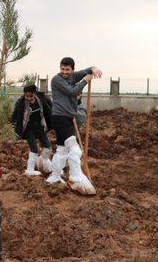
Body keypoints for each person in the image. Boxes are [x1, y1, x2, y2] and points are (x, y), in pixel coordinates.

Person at [45, 57, 102, 195]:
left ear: (72, 70)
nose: (64, 72)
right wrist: (85, 81)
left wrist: (92, 68)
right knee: (75, 150)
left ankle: (55, 176)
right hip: (60, 118)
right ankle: (76, 179)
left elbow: (84, 71)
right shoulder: (57, 80)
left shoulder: (72, 76)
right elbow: (73, 91)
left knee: (62, 150)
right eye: (62, 69)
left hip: (67, 118)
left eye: (67, 70)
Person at [11, 84, 53, 176]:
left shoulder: (41, 100)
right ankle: (30, 170)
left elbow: (49, 109)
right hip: (29, 129)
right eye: (27, 96)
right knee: (34, 149)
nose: (29, 98)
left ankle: (43, 163)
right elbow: (15, 115)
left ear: (35, 93)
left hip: (40, 127)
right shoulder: (21, 103)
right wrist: (14, 125)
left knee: (48, 147)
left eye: (31, 96)